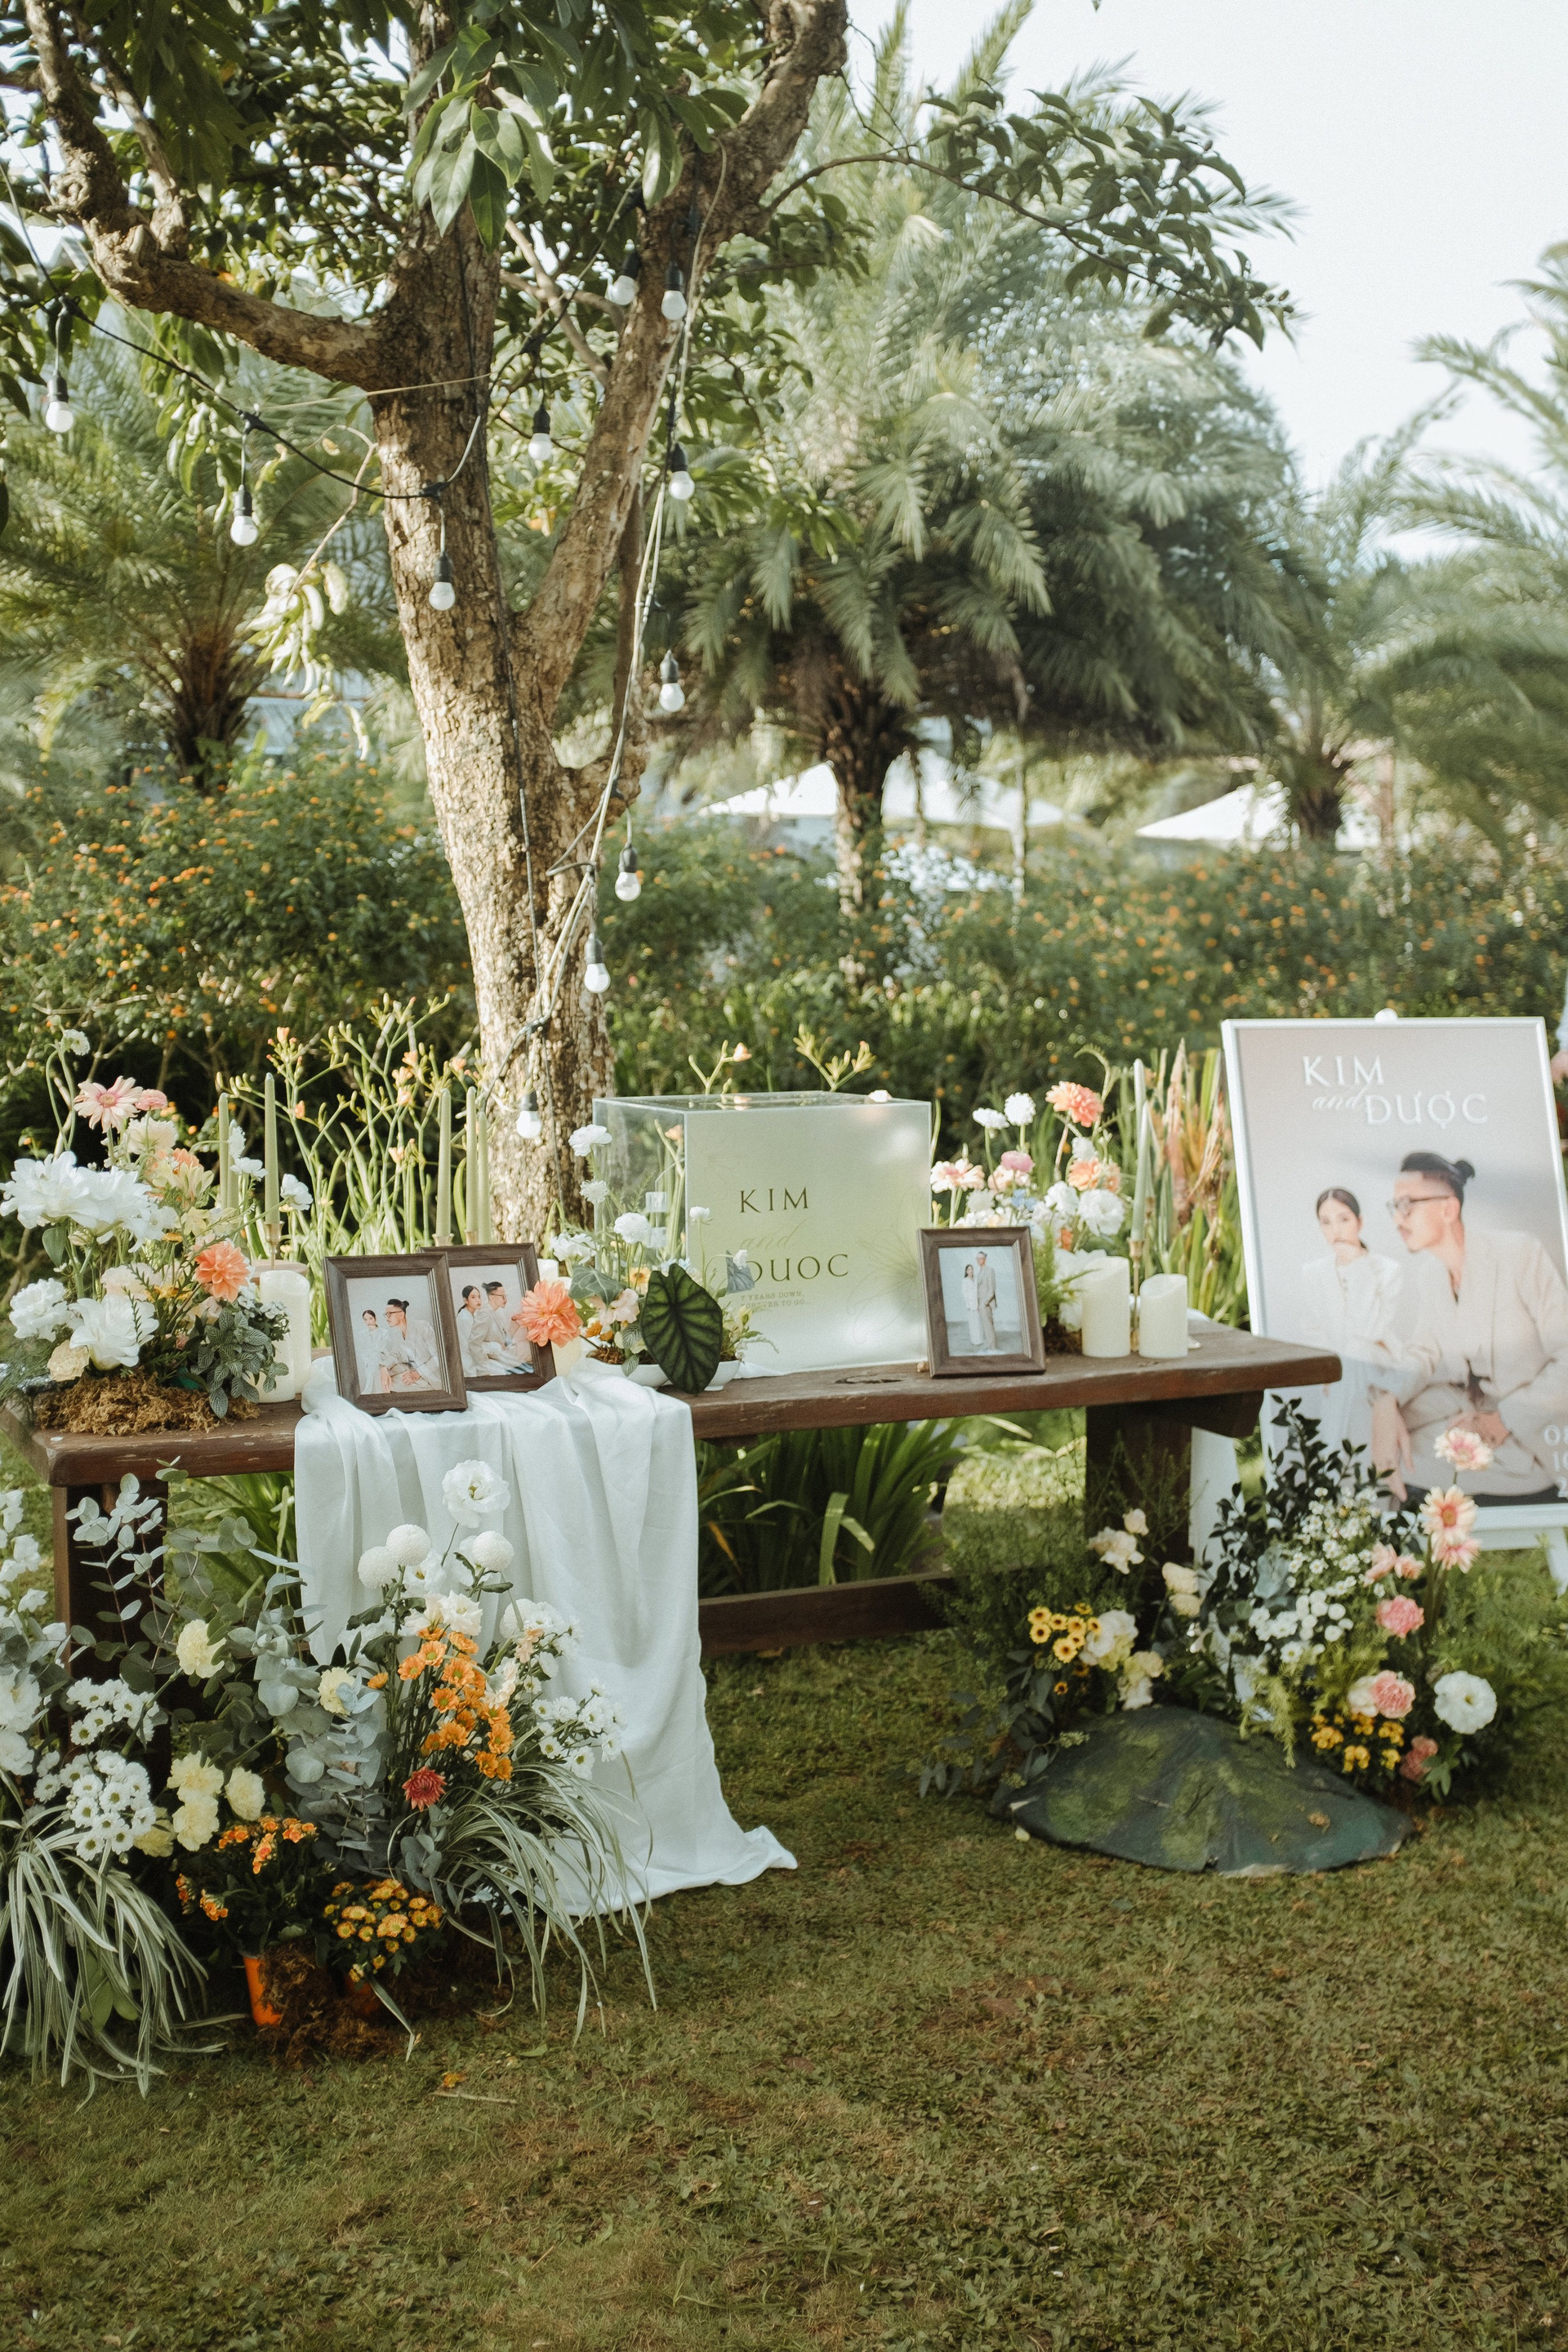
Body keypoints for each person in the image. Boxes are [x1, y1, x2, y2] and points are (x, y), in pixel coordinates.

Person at [1370, 1152, 1568, 1503]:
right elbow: (1423, 1352)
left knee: (1396, 1455)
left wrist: (1502, 1419)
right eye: (1394, 1207)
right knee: (1372, 1424)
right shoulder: (1431, 1276)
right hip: (1468, 1405)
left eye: (1407, 1205)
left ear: (1449, 1209)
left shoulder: (1520, 1254)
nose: (1398, 1219)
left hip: (1533, 1424)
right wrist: (1387, 1400)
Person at [1298, 1186, 1404, 1454]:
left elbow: (1372, 1330)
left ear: (1360, 1222)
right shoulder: (1313, 1273)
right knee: (1346, 1365)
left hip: (1380, 1364)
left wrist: (1357, 1266)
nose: (1336, 1230)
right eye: (1326, 1222)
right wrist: (1328, 1370)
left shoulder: (1388, 1270)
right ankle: (1338, 1458)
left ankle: (1329, 1457)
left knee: (1356, 1351)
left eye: (1344, 1219)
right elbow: (1312, 1329)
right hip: (1339, 1371)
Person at [378, 1294, 443, 1392]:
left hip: (430, 1375)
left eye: (389, 1314)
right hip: (410, 1370)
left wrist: (416, 1374)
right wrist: (384, 1367)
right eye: (386, 1315)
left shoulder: (423, 1327)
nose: (387, 1318)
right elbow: (395, 1354)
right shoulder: (397, 1334)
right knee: (383, 1376)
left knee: (390, 1384)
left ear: (401, 1314)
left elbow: (439, 1356)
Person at [972, 1250, 998, 1352]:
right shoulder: (979, 1272)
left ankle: (993, 1348)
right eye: (977, 1259)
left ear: (985, 1259)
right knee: (986, 1326)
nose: (979, 1260)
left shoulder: (989, 1270)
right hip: (981, 1303)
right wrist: (978, 1304)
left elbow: (991, 1290)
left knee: (988, 1325)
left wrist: (984, 1303)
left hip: (986, 1303)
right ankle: (990, 1346)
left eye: (981, 1258)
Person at [355, 1307, 382, 1395]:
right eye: (366, 1319)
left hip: (381, 1361)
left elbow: (383, 1348)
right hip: (369, 1363)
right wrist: (368, 1362)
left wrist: (375, 1332)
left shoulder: (383, 1333)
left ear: (375, 1319)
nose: (368, 1321)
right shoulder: (362, 1334)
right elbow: (362, 1350)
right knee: (372, 1367)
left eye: (370, 1318)